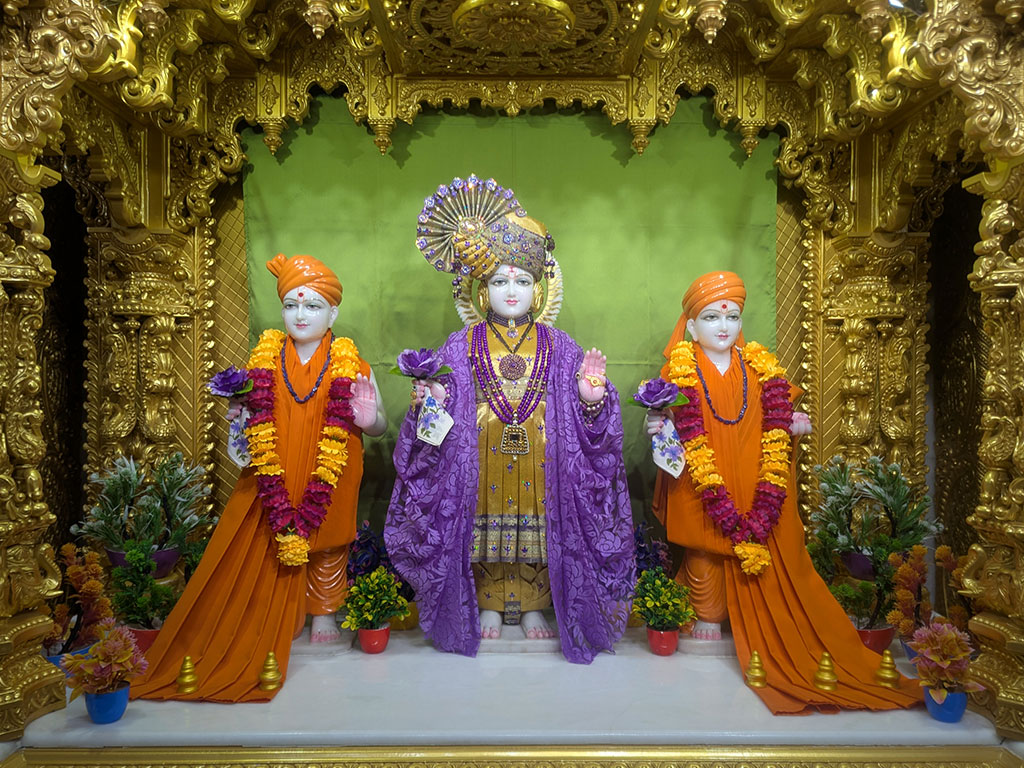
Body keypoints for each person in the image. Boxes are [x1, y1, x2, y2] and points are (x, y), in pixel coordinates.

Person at [385, 175, 634, 663]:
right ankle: (489, 604)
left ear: (540, 289)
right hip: (480, 459)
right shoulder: (461, 345)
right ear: (481, 292)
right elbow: (444, 396)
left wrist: (589, 398)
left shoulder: (560, 346)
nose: (512, 290)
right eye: (500, 280)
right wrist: (434, 395)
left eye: (522, 280)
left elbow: (592, 417)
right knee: (480, 529)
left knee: (541, 530)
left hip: (544, 464)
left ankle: (537, 605)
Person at [648, 270, 919, 713]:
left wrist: (791, 427)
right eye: (711, 316)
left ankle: (752, 621)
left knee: (755, 543)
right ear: (691, 325)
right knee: (703, 553)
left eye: (732, 316)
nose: (723, 326)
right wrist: (656, 424)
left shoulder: (760, 370)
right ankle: (710, 614)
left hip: (753, 478)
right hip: (703, 481)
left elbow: (778, 417)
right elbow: (662, 421)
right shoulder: (677, 373)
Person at [132, 254, 386, 702]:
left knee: (328, 538)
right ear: (281, 311)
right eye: (291, 306)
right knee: (275, 534)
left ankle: (323, 613)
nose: (301, 315)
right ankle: (280, 615)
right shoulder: (261, 367)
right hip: (278, 468)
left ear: (334, 313)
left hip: (332, 468)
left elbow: (379, 422)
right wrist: (239, 419)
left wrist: (370, 419)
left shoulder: (354, 366)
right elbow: (245, 431)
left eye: (312, 306)